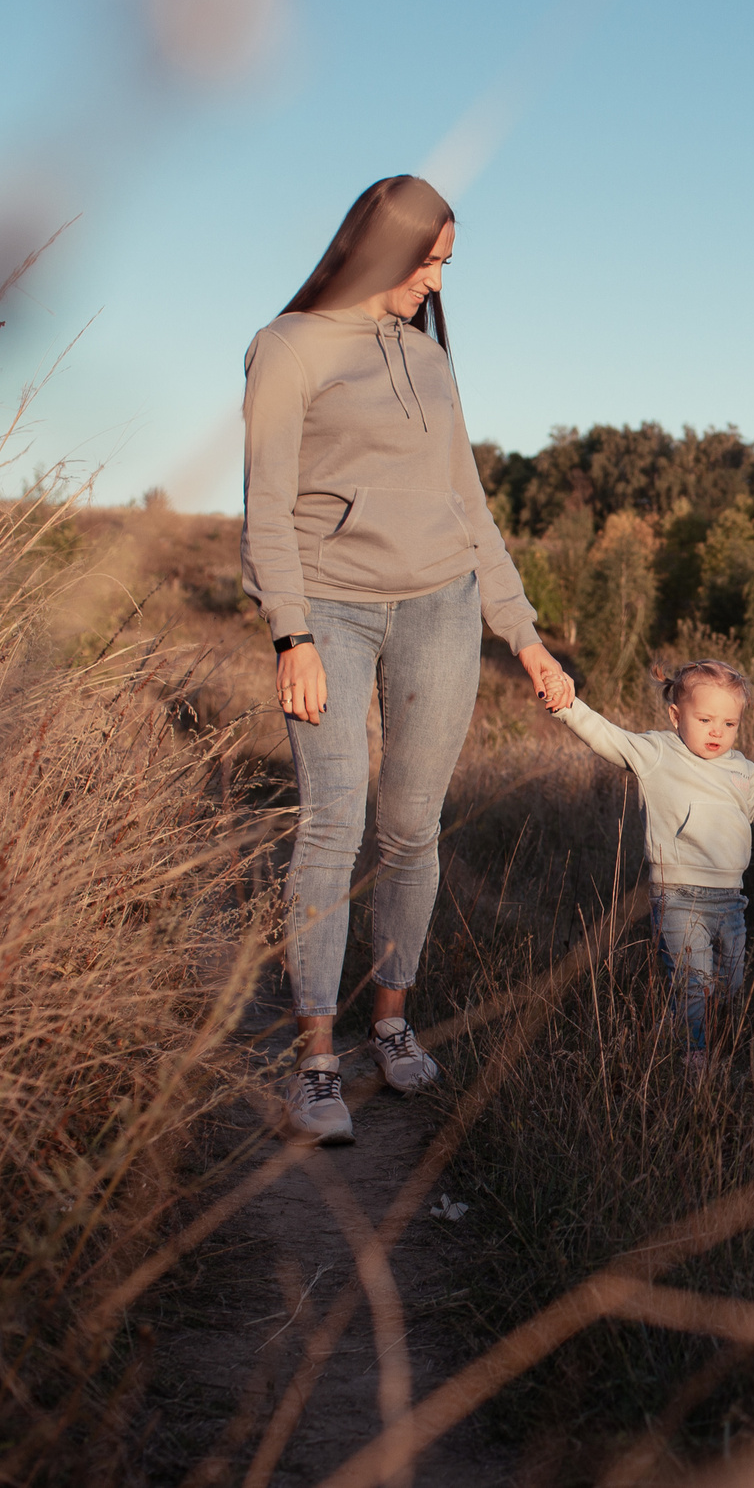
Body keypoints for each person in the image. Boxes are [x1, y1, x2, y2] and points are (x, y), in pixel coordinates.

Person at [244, 174, 574, 1148]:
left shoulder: (428, 357)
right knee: (331, 823)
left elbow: (469, 506)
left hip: (440, 605)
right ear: (379, 245)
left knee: (411, 828)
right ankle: (315, 1059)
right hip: (331, 610)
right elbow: (265, 503)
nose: (435, 280)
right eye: (427, 260)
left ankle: (389, 1023)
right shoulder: (288, 346)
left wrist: (524, 634)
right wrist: (291, 632)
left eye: (446, 264)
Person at [549, 660, 754, 1067]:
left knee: (731, 982)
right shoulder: (659, 753)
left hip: (731, 900)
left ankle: (680, 1029)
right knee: (694, 981)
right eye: (705, 720)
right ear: (675, 716)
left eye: (729, 723)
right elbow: (608, 737)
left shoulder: (741, 769)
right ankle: (695, 1055)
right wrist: (568, 706)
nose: (717, 732)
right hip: (678, 896)